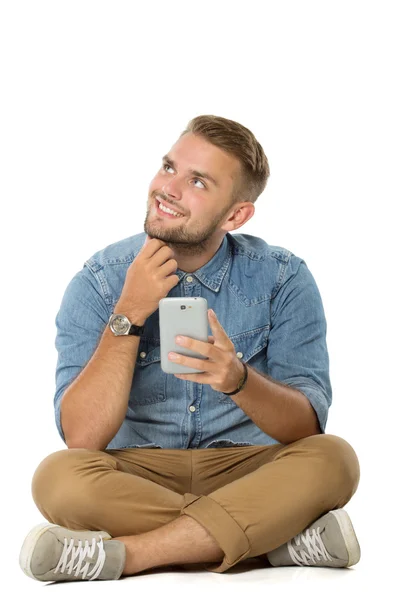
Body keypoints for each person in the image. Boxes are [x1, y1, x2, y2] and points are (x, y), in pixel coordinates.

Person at [19, 115, 360, 583]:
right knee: (57, 478)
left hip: (247, 467)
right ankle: (275, 540)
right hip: (137, 473)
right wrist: (129, 313)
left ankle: (131, 555)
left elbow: (305, 427)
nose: (167, 189)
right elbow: (82, 437)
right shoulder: (99, 280)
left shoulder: (283, 277)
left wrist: (238, 381)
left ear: (236, 216)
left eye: (196, 181)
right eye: (168, 167)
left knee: (334, 459)